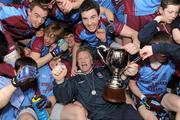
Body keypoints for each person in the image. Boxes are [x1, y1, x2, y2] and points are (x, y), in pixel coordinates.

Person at [53, 45, 143, 120]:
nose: (83, 60)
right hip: (100, 117)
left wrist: (126, 74)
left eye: (86, 57)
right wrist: (60, 81)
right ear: (77, 62)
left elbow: (119, 83)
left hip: (122, 110)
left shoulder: (104, 70)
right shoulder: (74, 80)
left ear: (92, 61)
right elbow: (64, 98)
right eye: (80, 58)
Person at [71, 0, 140, 76]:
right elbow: (76, 45)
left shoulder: (106, 22)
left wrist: (136, 45)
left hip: (109, 44)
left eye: (93, 17)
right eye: (85, 19)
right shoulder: (79, 29)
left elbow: (135, 33)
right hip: (93, 50)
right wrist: (73, 65)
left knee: (123, 55)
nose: (89, 23)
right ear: (81, 19)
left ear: (99, 16)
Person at [129, 31, 180, 120]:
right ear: (152, 48)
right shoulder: (141, 62)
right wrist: (142, 97)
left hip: (160, 94)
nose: (163, 53)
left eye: (165, 50)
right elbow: (131, 84)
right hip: (141, 95)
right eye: (160, 49)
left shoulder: (172, 62)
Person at [0, 0, 49, 66]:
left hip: (14, 39)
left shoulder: (43, 25)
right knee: (14, 64)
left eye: (43, 18)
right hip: (3, 36)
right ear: (29, 11)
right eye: (37, 16)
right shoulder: (13, 14)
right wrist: (6, 39)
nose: (40, 21)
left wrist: (23, 48)